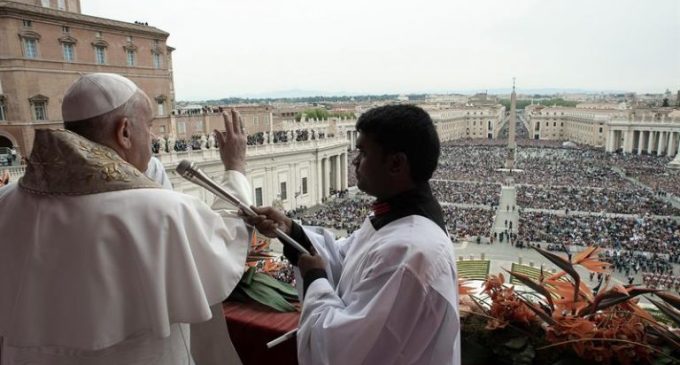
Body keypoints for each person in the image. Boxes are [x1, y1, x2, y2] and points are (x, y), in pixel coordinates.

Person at [0, 73, 251, 364]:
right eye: (150, 126)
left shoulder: (5, 203)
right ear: (125, 132)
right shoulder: (160, 213)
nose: (154, 138)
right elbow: (224, 241)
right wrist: (235, 168)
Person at [247, 105, 460, 365]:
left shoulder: (408, 252)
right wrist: (290, 231)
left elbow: (340, 349)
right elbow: (345, 259)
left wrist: (315, 276)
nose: (355, 160)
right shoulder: (396, 219)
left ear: (396, 163)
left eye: (363, 151)